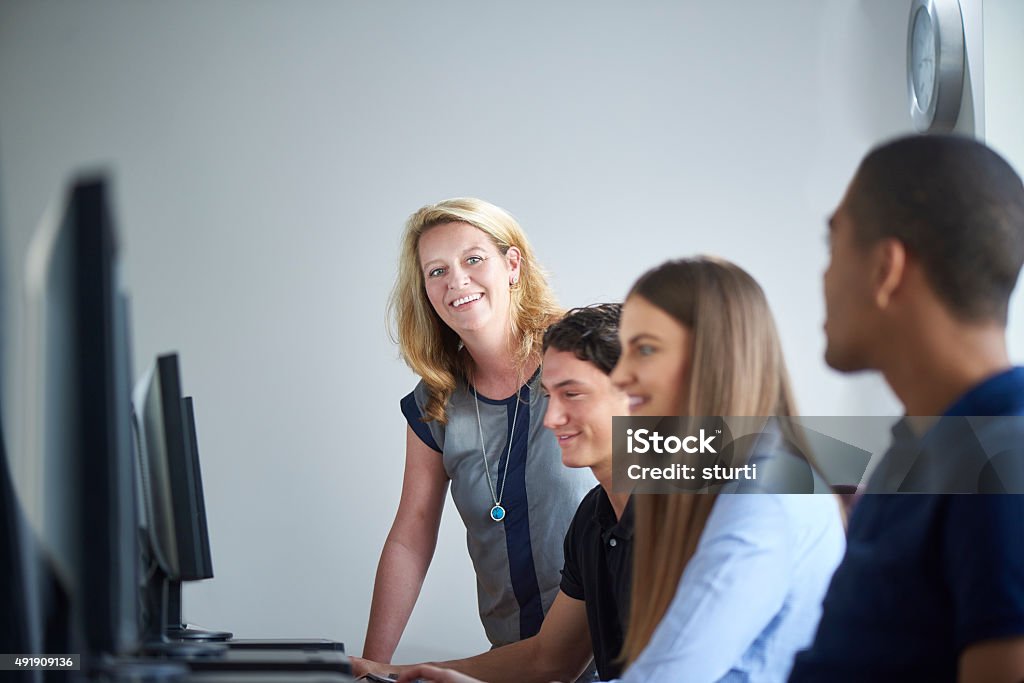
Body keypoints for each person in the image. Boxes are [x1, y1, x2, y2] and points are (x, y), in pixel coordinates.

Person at [398, 257, 846, 683]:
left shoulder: (759, 488)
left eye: (646, 351)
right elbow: (550, 660)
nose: (631, 375)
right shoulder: (600, 514)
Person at [790, 135, 1024, 682]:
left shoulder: (1001, 459)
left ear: (886, 268)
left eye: (834, 247)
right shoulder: (916, 452)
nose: (823, 277)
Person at [360, 198, 595, 664]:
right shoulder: (437, 399)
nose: (457, 281)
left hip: (619, 660)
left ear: (512, 265)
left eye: (473, 259)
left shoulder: (586, 354)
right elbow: (411, 534)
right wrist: (373, 668)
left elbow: (686, 467)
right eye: (436, 271)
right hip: (511, 663)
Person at [362, 303, 632, 682]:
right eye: (549, 396)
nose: (551, 419)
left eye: (572, 394)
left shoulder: (697, 504)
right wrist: (393, 673)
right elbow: (547, 660)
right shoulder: (591, 522)